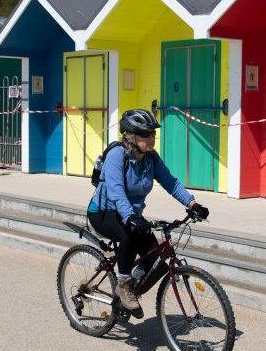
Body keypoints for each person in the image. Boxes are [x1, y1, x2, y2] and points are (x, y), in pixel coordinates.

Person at [87, 109, 209, 312]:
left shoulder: (151, 158)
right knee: (127, 236)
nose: (152, 138)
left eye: (153, 133)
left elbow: (170, 182)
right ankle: (124, 285)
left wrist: (192, 204)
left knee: (153, 253)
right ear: (130, 135)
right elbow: (116, 191)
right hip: (103, 212)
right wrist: (131, 217)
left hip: (130, 214)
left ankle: (132, 286)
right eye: (146, 134)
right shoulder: (117, 155)